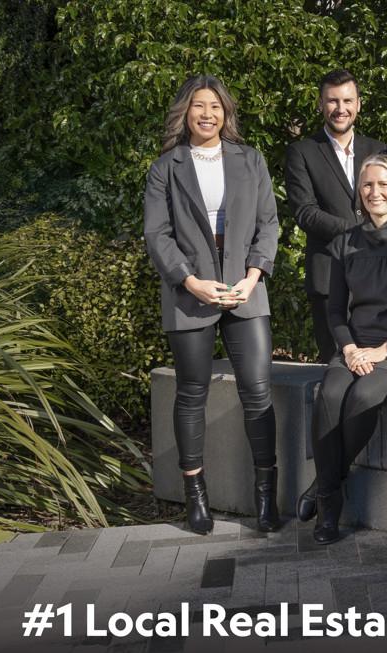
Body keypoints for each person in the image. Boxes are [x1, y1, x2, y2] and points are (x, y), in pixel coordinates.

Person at [143, 75, 281, 534]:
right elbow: (157, 233)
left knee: (258, 392)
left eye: (216, 106)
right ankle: (196, 498)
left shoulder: (251, 159)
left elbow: (268, 223)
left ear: (226, 113)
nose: (208, 114)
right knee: (191, 394)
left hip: (245, 290)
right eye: (199, 106)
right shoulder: (165, 167)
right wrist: (190, 281)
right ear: (186, 112)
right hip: (190, 293)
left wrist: (253, 277)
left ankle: (266, 498)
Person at [295, 154, 387, 545]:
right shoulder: (345, 243)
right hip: (355, 347)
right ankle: (329, 496)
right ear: (359, 192)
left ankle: (325, 490)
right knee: (329, 394)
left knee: (363, 395)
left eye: (383, 184)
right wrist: (348, 348)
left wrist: (384, 351)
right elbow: (334, 311)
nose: (375, 192)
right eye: (367, 185)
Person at [284, 69, 387, 362]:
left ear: (358, 104)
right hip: (329, 277)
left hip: (380, 277)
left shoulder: (378, 150)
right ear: (320, 104)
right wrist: (359, 232)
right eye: (332, 101)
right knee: (337, 367)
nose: (340, 109)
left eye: (347, 101)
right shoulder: (302, 152)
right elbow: (305, 212)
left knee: (378, 369)